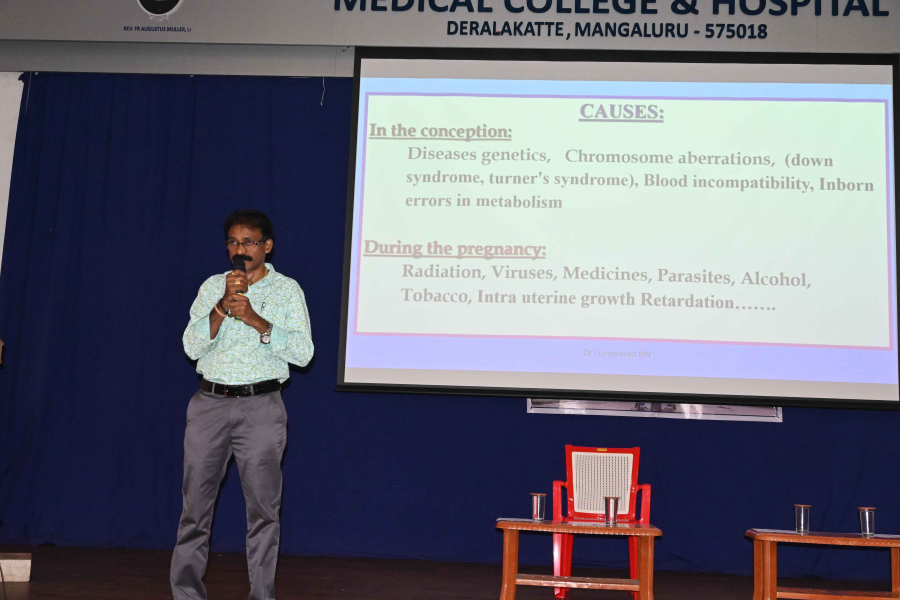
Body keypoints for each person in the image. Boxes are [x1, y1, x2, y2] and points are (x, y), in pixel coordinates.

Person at [170, 209, 314, 600]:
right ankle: (186, 594)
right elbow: (191, 346)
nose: (240, 249)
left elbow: (304, 354)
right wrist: (221, 307)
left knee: (264, 513)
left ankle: (261, 595)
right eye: (233, 242)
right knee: (194, 511)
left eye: (249, 242)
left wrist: (257, 320)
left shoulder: (287, 290)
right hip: (209, 405)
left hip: (260, 407)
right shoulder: (212, 287)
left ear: (267, 246)